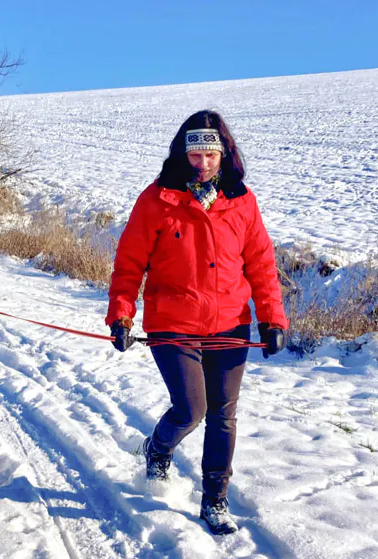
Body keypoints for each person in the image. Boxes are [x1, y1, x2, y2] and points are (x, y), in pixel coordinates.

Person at [106, 110, 288, 535]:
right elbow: (129, 263)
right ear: (181, 153)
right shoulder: (156, 200)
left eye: (210, 153)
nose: (202, 162)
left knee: (223, 414)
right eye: (195, 153)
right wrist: (121, 313)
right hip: (173, 321)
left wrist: (272, 318)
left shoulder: (242, 200)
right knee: (192, 407)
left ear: (224, 153)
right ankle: (158, 448)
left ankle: (215, 501)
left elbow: (261, 263)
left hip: (231, 324)